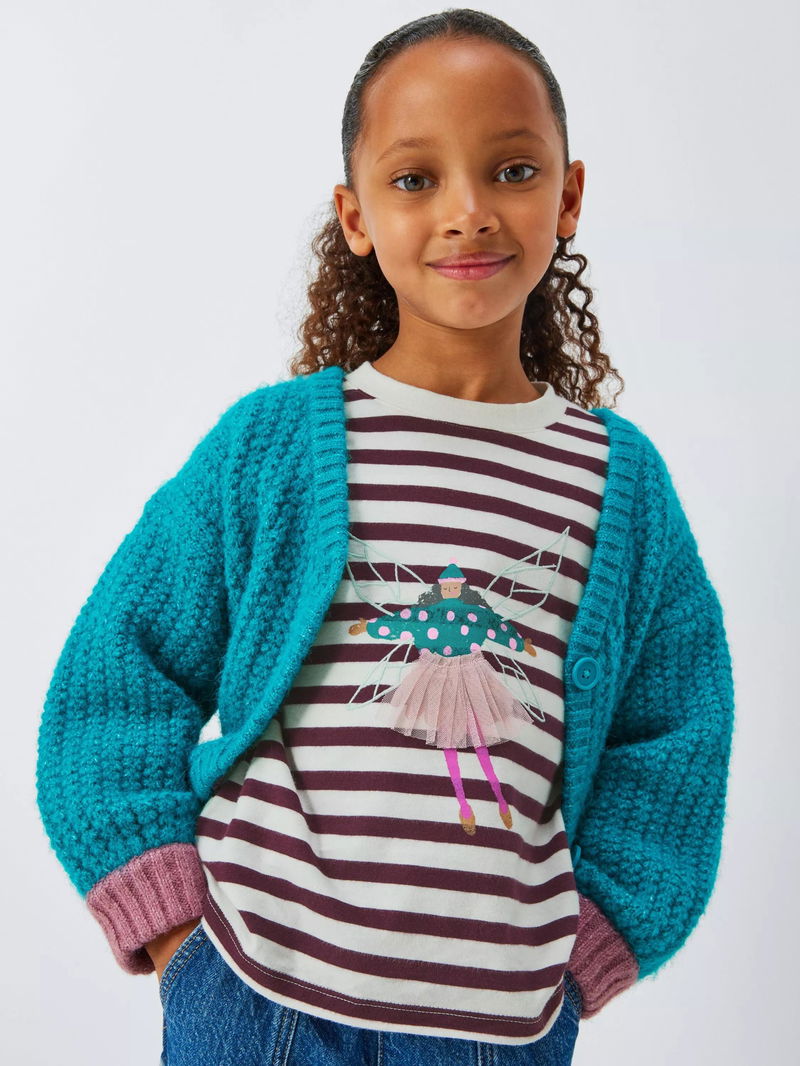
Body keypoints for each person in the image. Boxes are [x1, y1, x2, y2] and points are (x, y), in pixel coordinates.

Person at [36, 9, 735, 1066]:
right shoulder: (275, 445)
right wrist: (177, 930)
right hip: (256, 995)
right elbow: (120, 669)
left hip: (497, 1028)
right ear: (356, 215)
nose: (467, 212)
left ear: (568, 196)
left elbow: (674, 732)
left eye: (511, 170)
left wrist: (591, 949)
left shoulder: (619, 481)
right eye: (415, 179)